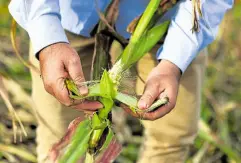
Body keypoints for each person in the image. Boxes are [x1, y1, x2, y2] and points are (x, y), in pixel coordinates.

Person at [9, 0, 233, 162]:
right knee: (60, 138)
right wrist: (48, 37)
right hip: (68, 17)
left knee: (172, 135)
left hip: (172, 22)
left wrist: (174, 60)